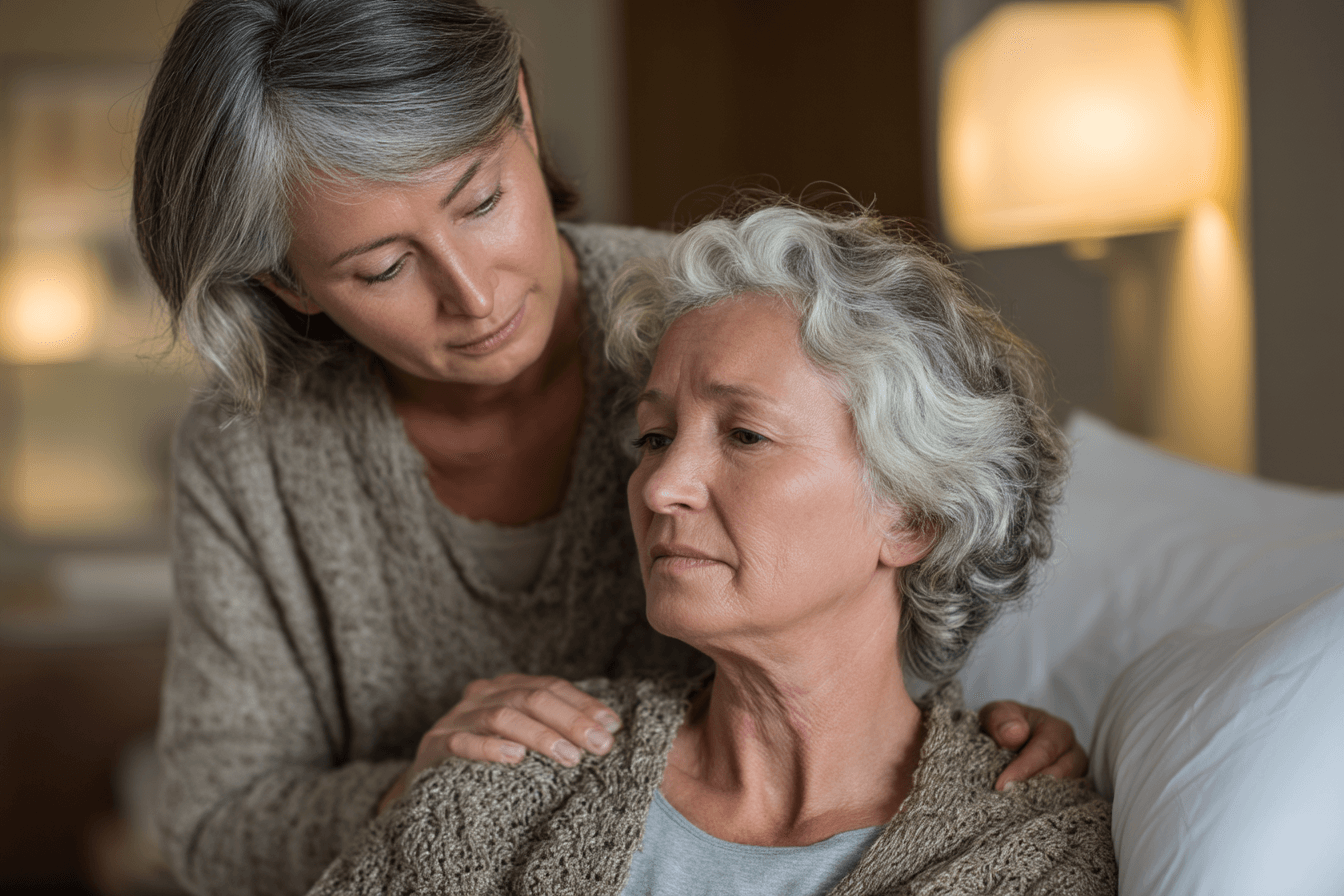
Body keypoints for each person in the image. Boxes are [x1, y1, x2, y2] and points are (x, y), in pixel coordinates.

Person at [132, 2, 1088, 894]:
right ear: (290, 284)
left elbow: (888, 592)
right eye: (382, 266)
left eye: (480, 202)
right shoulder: (253, 447)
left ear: (520, 112)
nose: (475, 295)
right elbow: (218, 824)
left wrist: (988, 739)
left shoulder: (715, 319)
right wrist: (430, 794)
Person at [305, 203, 1117, 896]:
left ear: (912, 518)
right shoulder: (511, 781)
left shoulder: (1028, 855)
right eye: (655, 437)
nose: (661, 487)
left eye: (746, 434)